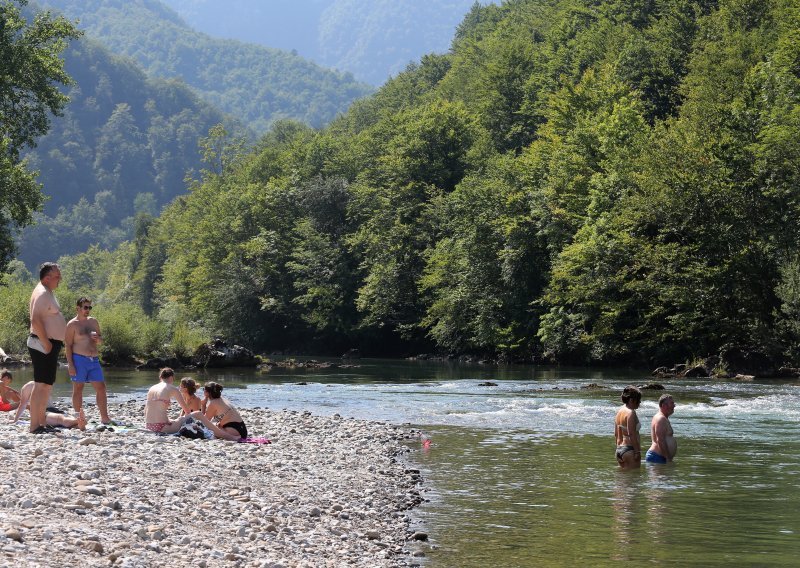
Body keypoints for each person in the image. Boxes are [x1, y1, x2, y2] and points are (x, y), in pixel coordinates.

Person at [28, 262, 67, 434]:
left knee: (46, 386)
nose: (60, 279)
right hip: (43, 343)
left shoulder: (47, 291)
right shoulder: (43, 293)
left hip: (48, 344)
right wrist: (47, 343)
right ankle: (35, 425)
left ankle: (42, 422)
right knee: (40, 385)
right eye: (57, 276)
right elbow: (35, 320)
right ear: (47, 278)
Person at [65, 297, 111, 424]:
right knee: (78, 388)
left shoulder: (93, 321)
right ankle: (79, 418)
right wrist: (70, 365)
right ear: (78, 308)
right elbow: (68, 345)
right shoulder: (72, 324)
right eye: (85, 307)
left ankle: (104, 417)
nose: (88, 310)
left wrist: (99, 340)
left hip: (94, 360)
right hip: (78, 359)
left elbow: (101, 339)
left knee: (101, 387)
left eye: (89, 307)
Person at [10, 380, 86, 430]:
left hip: (45, 412)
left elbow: (22, 405)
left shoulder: (28, 386)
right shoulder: (46, 384)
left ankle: (78, 421)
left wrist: (15, 420)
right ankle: (79, 423)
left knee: (61, 420)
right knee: (62, 420)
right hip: (55, 410)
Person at [144, 367, 191, 434]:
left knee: (172, 420)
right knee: (188, 417)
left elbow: (146, 410)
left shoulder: (152, 388)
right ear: (171, 377)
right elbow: (187, 411)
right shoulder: (172, 388)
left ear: (161, 377)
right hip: (162, 427)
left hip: (149, 425)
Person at [614, 385, 642, 468]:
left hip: (619, 450)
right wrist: (637, 452)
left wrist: (618, 449)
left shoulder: (619, 411)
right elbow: (631, 434)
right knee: (634, 478)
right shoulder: (631, 413)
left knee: (623, 479)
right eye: (638, 400)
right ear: (631, 400)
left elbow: (616, 434)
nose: (640, 402)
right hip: (630, 450)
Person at [646, 394, 677, 464]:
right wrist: (668, 459)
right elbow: (660, 440)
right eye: (672, 403)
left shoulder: (662, 418)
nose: (674, 405)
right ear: (664, 405)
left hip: (660, 457)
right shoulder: (660, 419)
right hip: (657, 457)